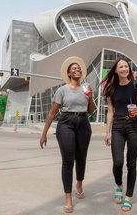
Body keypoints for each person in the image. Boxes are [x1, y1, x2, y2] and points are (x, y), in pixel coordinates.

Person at [40, 56, 94, 213]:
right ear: (69, 73)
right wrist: (44, 133)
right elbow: (52, 113)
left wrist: (90, 97)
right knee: (68, 161)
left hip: (83, 122)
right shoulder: (62, 90)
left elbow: (91, 111)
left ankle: (79, 184)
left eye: (79, 68)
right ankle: (68, 198)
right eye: (74, 68)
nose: (77, 70)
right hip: (66, 123)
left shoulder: (86, 88)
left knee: (81, 158)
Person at [101, 57, 137, 212]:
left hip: (134, 126)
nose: (124, 69)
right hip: (118, 126)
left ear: (129, 69)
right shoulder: (111, 88)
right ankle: (119, 185)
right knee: (117, 162)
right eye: (121, 67)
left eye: (126, 66)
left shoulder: (136, 84)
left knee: (131, 162)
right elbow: (110, 111)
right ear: (116, 70)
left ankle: (128, 197)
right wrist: (107, 132)